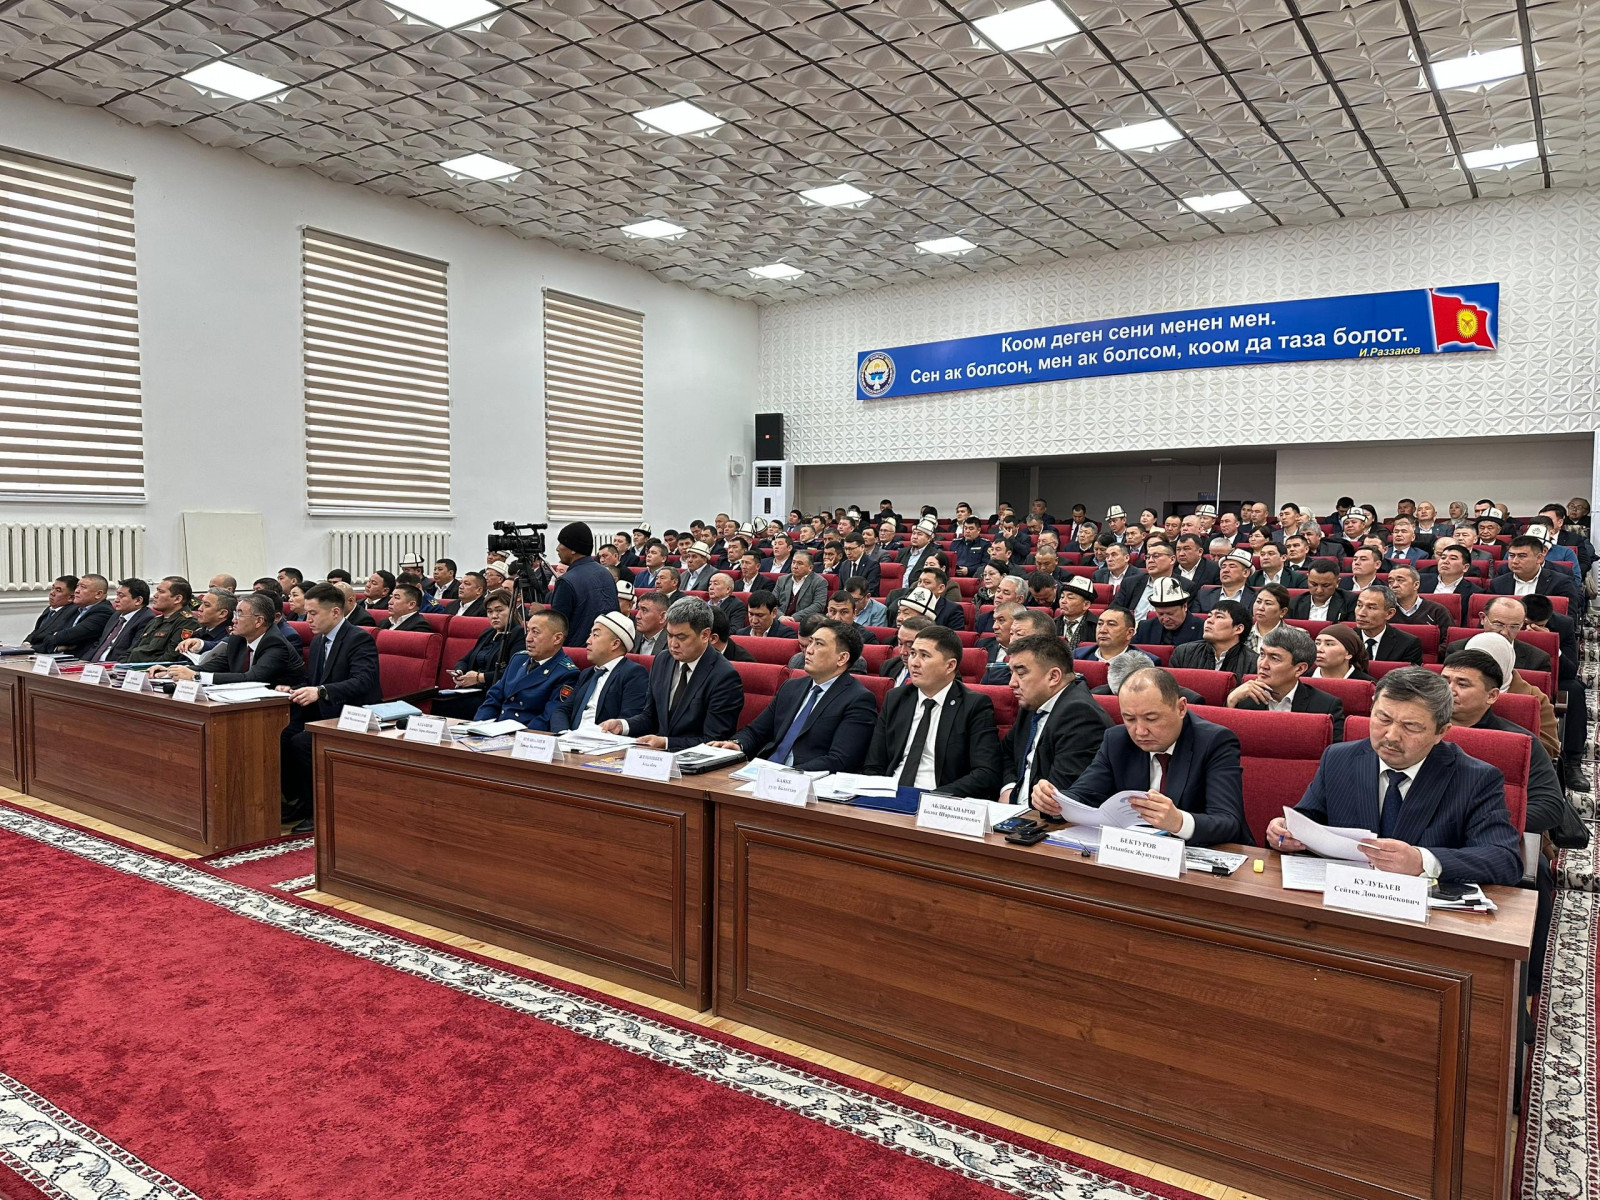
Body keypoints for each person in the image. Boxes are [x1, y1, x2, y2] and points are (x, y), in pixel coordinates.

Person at [1267, 667, 1520, 885]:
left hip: (1424, 913)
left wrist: (1422, 861)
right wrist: (1284, 830)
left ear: (1441, 732)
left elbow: (1504, 859)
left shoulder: (1476, 779)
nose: (1391, 736)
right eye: (1383, 718)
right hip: (1345, 898)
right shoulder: (1339, 758)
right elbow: (1307, 819)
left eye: (1411, 726)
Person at [1053, 667, 1248, 846]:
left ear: (1181, 708)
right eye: (1129, 719)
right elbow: (1083, 794)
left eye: (1151, 719)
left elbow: (1228, 822)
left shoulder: (1215, 742)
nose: (1140, 731)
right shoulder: (1117, 740)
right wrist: (1055, 801)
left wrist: (1179, 822)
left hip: (1201, 855)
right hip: (1132, 853)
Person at [279, 582, 383, 831]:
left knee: (302, 742)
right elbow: (314, 681)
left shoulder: (358, 639)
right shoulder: (318, 641)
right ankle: (302, 800)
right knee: (282, 733)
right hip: (323, 711)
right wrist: (293, 689)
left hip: (353, 713)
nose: (307, 620)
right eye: (306, 613)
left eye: (313, 613)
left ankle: (320, 809)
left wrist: (321, 691)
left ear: (335, 612)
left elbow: (362, 681)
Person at [711, 619, 876, 772]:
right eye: (810, 642)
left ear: (842, 658)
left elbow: (840, 760)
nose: (808, 650)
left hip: (806, 782)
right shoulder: (791, 687)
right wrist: (737, 744)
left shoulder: (858, 699)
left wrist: (785, 774)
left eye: (819, 644)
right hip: (764, 771)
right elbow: (756, 731)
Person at [862, 624, 1002, 798]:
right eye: (913, 653)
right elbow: (874, 764)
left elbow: (986, 773)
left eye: (925, 655)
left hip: (940, 798)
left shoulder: (974, 705)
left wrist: (933, 798)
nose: (914, 662)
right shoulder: (896, 698)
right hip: (890, 794)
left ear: (950, 666)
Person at [1441, 649, 1565, 836]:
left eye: (1462, 684)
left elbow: (1549, 807)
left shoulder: (1517, 742)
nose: (1449, 690)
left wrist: (1479, 821)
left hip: (1490, 836)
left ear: (1491, 696)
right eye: (1444, 681)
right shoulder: (1418, 729)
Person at [602, 597, 743, 751]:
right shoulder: (662, 660)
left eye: (681, 637)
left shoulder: (724, 676)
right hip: (656, 756)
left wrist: (666, 743)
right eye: (669, 635)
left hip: (693, 760)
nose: (673, 644)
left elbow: (714, 741)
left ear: (705, 635)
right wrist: (622, 725)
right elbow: (650, 717)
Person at [999, 633, 1112, 809]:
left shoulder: (1081, 716)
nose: (1011, 683)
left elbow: (1059, 796)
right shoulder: (1032, 703)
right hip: (1013, 810)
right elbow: (1006, 753)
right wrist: (1009, 787)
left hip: (1043, 817)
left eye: (1020, 673)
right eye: (1011, 673)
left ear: (1053, 677)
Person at [153, 592, 306, 689]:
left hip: (284, 711)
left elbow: (253, 678)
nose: (234, 620)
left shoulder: (275, 643)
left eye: (240, 614)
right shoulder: (237, 639)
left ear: (259, 621)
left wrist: (195, 676)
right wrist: (171, 671)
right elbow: (212, 666)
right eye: (235, 614)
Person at [1228, 624, 1345, 739]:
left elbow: (1332, 750)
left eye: (1274, 658)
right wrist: (1230, 702)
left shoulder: (1326, 707)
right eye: (1262, 654)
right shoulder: (1241, 697)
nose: (1263, 665)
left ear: (1299, 669)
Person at [545, 612, 651, 733]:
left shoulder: (633, 673)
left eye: (595, 635)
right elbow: (563, 710)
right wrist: (563, 734)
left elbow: (628, 720)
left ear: (615, 644)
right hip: (570, 738)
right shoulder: (587, 674)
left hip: (601, 739)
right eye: (590, 635)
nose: (588, 641)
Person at [472, 610, 577, 729]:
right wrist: (478, 727)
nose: (528, 638)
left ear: (557, 638)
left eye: (535, 632)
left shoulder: (566, 673)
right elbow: (494, 698)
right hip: (496, 730)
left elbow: (548, 718)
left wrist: (518, 737)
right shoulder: (518, 659)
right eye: (528, 631)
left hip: (526, 734)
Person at [432, 589, 523, 719]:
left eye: (499, 610)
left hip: (493, 693)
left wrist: (480, 677)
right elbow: (464, 660)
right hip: (473, 690)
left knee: (442, 705)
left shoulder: (519, 634)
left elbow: (514, 672)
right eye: (490, 611)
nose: (494, 616)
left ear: (512, 610)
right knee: (434, 699)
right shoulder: (488, 633)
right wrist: (459, 672)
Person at [547, 523, 620, 647]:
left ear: (573, 549)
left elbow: (558, 629)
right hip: (606, 649)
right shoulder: (606, 573)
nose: (557, 548)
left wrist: (542, 615)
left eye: (561, 543)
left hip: (575, 652)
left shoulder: (566, 581)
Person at [1490, 534, 1583, 610]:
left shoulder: (1561, 583)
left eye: (1522, 556)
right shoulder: (1497, 584)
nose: (1515, 561)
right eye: (1511, 555)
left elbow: (1568, 618)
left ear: (1539, 558)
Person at [122, 576, 199, 663]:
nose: (155, 595)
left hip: (152, 669)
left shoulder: (187, 623)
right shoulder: (155, 620)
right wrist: (120, 666)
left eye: (161, 592)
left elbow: (171, 658)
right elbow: (131, 651)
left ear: (177, 599)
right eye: (157, 591)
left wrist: (137, 664)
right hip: (132, 668)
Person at [1171, 600, 1252, 681]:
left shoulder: (1253, 663)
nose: (1209, 621)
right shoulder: (1183, 653)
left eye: (1219, 617)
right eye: (1209, 616)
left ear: (1238, 629)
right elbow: (1171, 687)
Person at [83, 577, 154, 663]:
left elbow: (133, 652)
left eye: (121, 596)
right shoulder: (116, 615)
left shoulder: (147, 619)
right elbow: (99, 643)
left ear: (138, 600)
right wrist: (84, 662)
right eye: (117, 595)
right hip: (95, 665)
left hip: (115, 665)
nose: (116, 600)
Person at [1350, 584, 1424, 665]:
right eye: (1359, 605)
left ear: (1389, 613)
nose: (1361, 613)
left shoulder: (1408, 644)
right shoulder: (1345, 639)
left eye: (1371, 608)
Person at [1387, 566, 1451, 641]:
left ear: (1416, 585)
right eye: (1390, 581)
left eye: (1400, 580)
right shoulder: (1385, 611)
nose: (1394, 585)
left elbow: (1448, 641)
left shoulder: (1437, 611)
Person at [1132, 578, 1202, 646]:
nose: (1165, 619)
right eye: (1160, 614)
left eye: (1170, 614)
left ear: (1184, 607)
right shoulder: (1145, 628)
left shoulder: (1201, 628)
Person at [1076, 605, 1152, 664]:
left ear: (1129, 633)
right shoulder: (1078, 656)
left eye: (1111, 624)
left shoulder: (1145, 662)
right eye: (1100, 624)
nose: (1102, 630)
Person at [23, 575, 78, 650]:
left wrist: (31, 647)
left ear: (71, 597)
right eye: (53, 588)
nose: (52, 593)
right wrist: (26, 642)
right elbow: (37, 631)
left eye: (58, 590)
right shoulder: (50, 609)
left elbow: (49, 635)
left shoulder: (72, 612)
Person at [1194, 549, 1257, 614]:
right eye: (1223, 567)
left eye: (1232, 566)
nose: (1225, 570)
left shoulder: (1256, 597)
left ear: (1245, 573)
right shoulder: (1203, 595)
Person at [978, 600, 1025, 684]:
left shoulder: (1031, 650)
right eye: (994, 620)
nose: (994, 626)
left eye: (1001, 620)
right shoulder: (983, 645)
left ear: (1017, 623)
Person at [879, 614, 932, 686]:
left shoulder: (934, 675)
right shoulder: (888, 666)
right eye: (900, 643)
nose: (902, 652)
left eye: (910, 645)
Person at [773, 550, 828, 620]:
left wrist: (794, 618)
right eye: (793, 562)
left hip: (803, 622)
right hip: (780, 620)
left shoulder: (819, 582)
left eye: (800, 563)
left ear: (810, 568)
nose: (795, 566)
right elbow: (772, 602)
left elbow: (818, 605)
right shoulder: (782, 580)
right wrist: (780, 616)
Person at [1244, 584, 1290, 657]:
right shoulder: (1242, 634)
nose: (1260, 608)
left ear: (1283, 612)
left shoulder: (1297, 636)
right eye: (1258, 602)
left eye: (1268, 603)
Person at [1056, 575, 1098, 646]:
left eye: (1070, 598)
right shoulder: (1052, 624)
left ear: (1086, 605)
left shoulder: (1097, 626)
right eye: (1062, 597)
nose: (1063, 601)